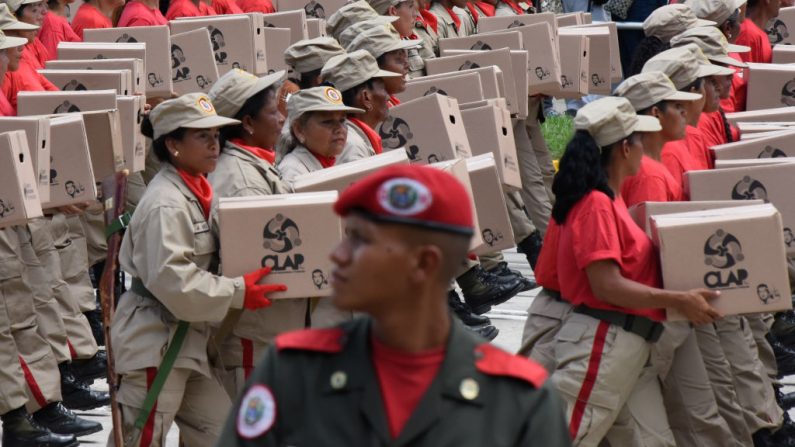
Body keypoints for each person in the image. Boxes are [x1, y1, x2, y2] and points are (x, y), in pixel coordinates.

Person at [215, 164, 572, 446]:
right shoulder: (291, 371)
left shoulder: (519, 399)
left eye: (358, 240)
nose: (337, 256)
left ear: (423, 264)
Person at [110, 93, 286, 446]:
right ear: (173, 144)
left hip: (187, 342)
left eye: (216, 135)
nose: (214, 144)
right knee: (141, 440)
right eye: (202, 136)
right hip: (155, 344)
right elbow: (173, 280)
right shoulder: (166, 203)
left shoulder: (198, 189)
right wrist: (238, 292)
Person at [550, 96, 721, 446]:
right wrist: (678, 299)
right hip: (603, 341)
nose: (646, 148)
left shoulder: (607, 197)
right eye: (641, 140)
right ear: (625, 149)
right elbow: (606, 285)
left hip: (629, 345)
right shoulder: (596, 204)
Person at [207, 69, 310, 399]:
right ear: (248, 123)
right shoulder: (243, 181)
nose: (281, 118)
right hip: (251, 337)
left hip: (263, 331)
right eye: (272, 111)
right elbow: (260, 263)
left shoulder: (253, 165)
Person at [321, 49, 401, 164]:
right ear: (366, 97)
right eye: (383, 88)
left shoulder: (355, 138)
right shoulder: (353, 148)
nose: (388, 96)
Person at [276, 86, 365, 187]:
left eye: (342, 120)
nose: (340, 128)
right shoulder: (293, 174)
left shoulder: (333, 161)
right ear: (299, 130)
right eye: (327, 122)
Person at [628, 4, 716, 76]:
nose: (696, 35)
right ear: (674, 37)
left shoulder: (647, 66)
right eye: (691, 32)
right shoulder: (674, 74)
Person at [342, 21, 415, 106]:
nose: (407, 65)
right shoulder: (375, 112)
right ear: (374, 66)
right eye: (398, 59)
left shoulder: (389, 102)